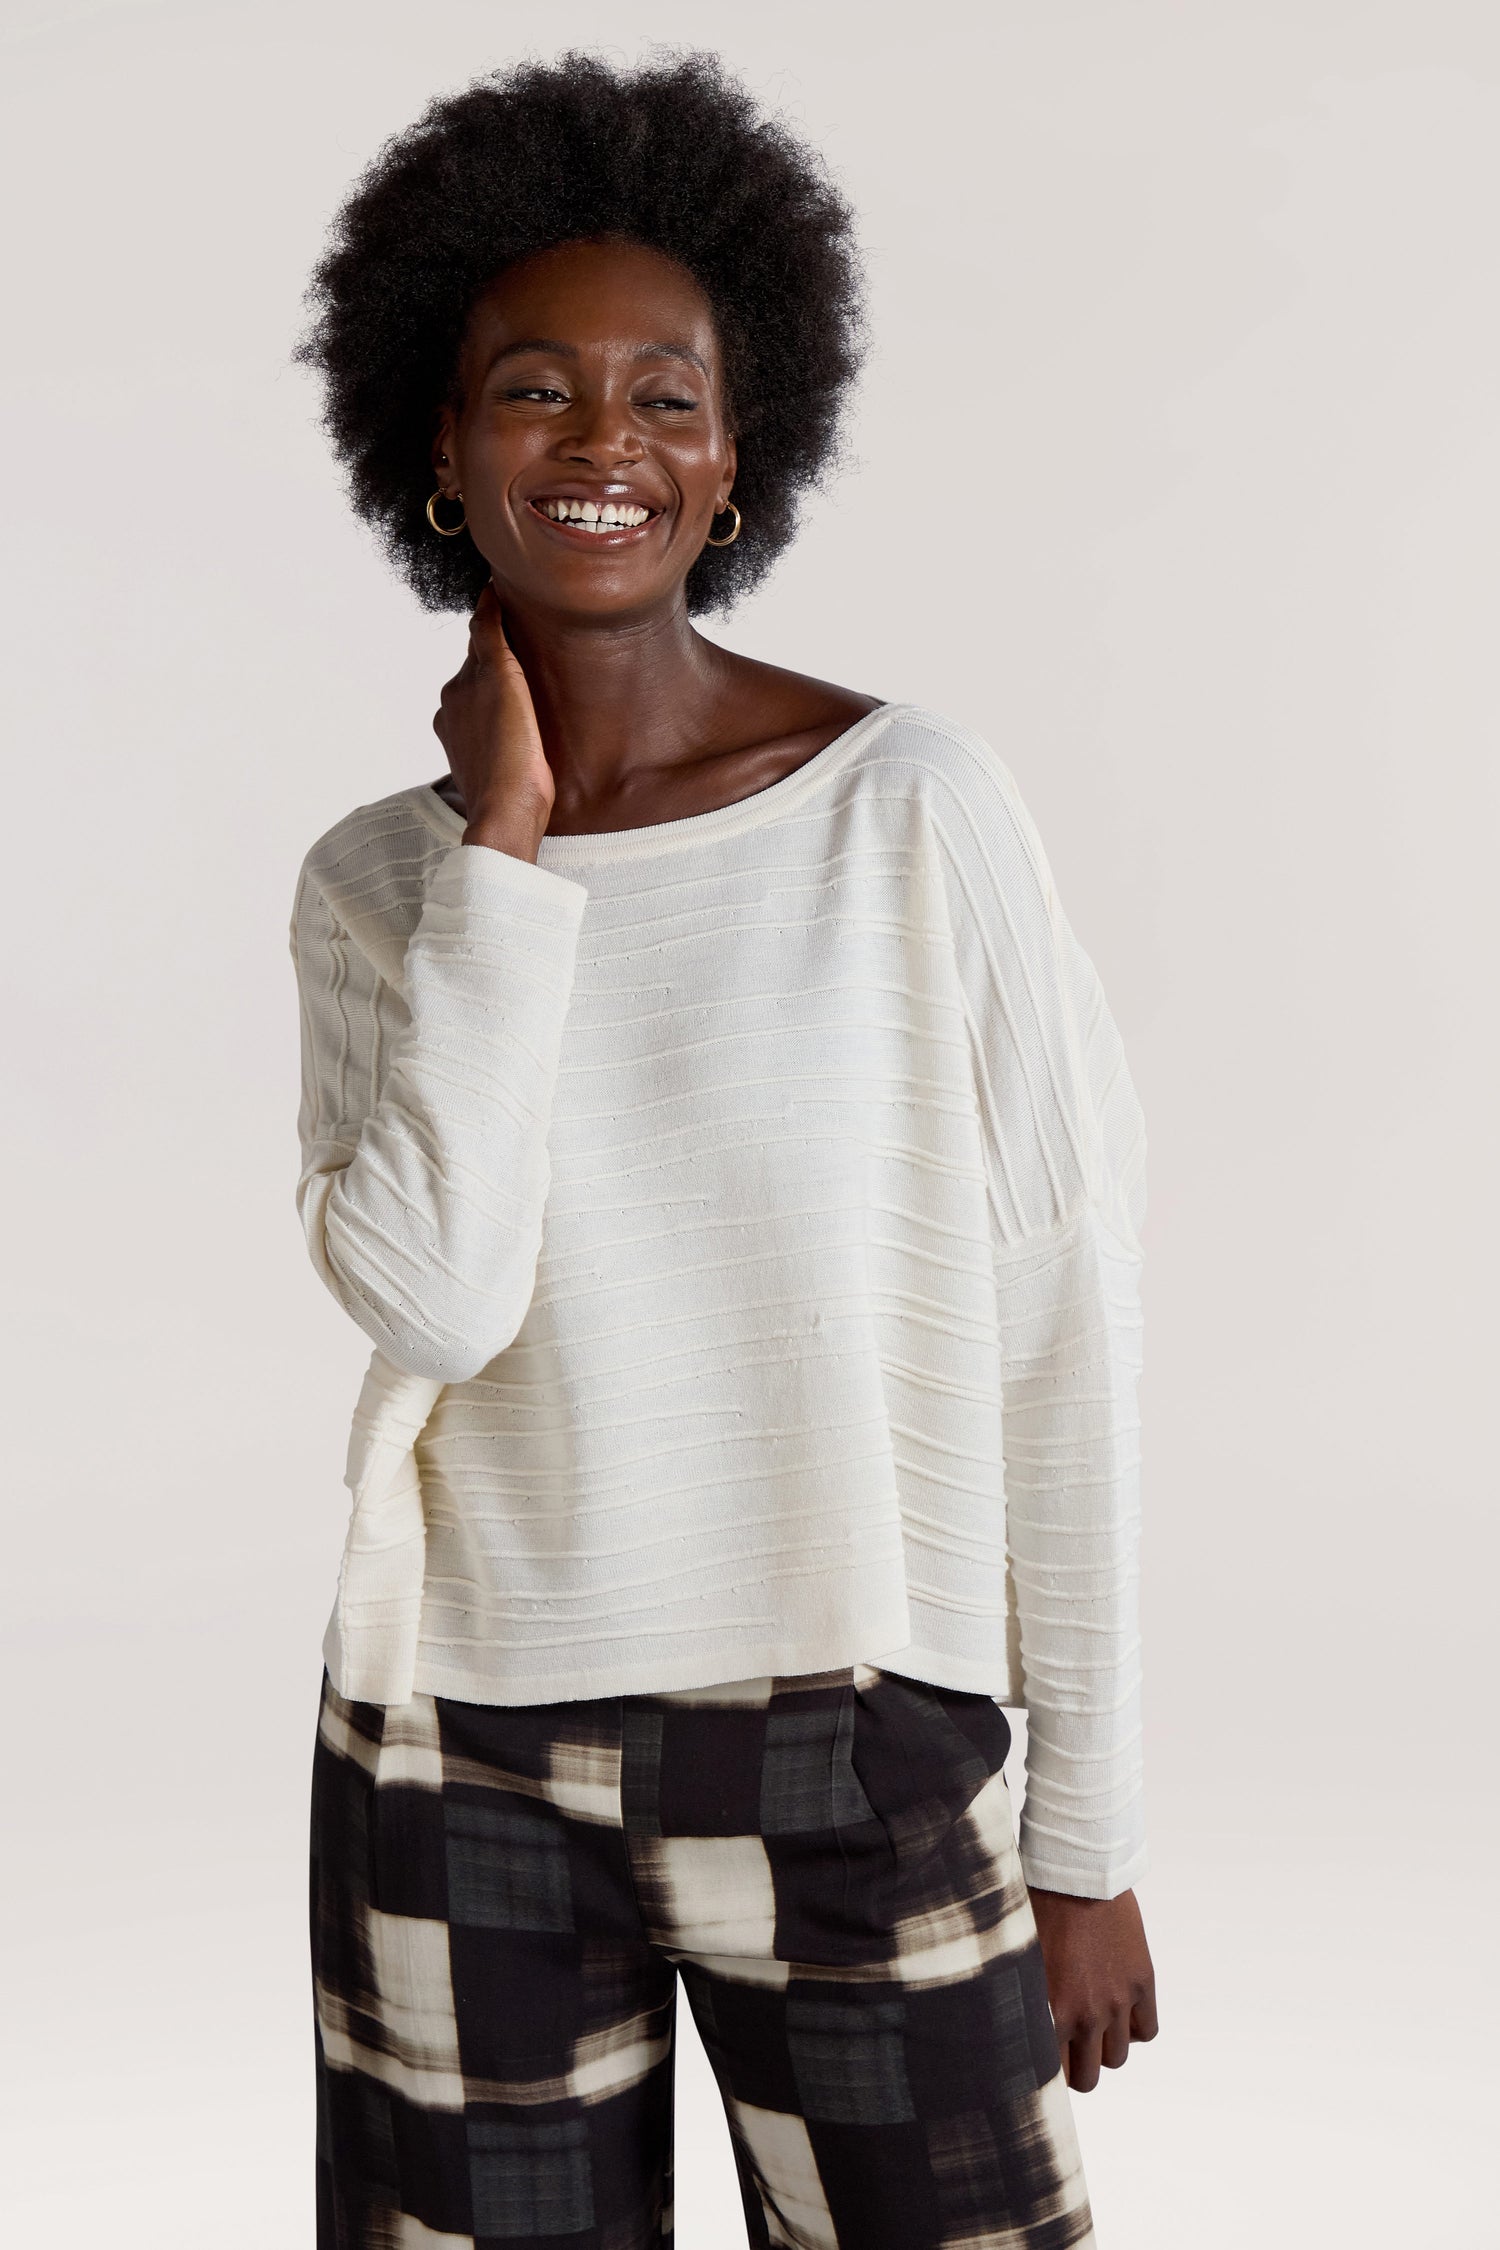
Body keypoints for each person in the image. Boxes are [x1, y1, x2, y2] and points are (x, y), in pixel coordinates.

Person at [288, 48, 1157, 2250]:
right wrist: (504, 851)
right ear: (437, 455)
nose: (605, 443)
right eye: (536, 392)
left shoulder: (911, 811)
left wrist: (1087, 1837)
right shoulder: (382, 888)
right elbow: (437, 1293)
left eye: (666, 395)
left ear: (738, 454)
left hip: (848, 1746)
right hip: (453, 1753)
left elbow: (1070, 1320)